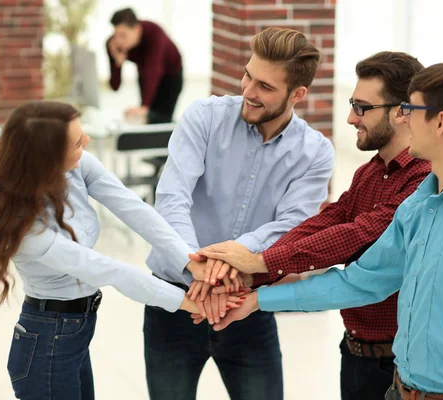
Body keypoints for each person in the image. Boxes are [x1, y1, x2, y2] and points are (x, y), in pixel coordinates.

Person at [211, 62, 443, 400]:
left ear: (440, 122)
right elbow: (363, 283)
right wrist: (257, 300)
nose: (405, 118)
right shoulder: (418, 207)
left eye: (411, 109)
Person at [0, 101, 243, 400]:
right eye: (78, 142)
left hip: (73, 331)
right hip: (49, 338)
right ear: (47, 159)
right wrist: (192, 303)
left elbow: (133, 208)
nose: (87, 142)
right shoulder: (25, 226)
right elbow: (109, 270)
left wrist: (189, 262)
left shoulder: (76, 168)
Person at [144, 28, 335, 400]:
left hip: (248, 307)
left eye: (265, 86)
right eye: (248, 75)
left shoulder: (315, 152)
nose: (248, 91)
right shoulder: (204, 117)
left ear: (297, 95)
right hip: (173, 301)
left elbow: (291, 227)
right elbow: (171, 198)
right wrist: (196, 265)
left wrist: (221, 266)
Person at [107, 7, 183, 124]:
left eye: (123, 35)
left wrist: (144, 107)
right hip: (145, 72)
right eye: (116, 34)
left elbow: (153, 70)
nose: (119, 40)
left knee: (162, 117)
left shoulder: (154, 34)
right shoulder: (114, 44)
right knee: (147, 117)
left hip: (171, 74)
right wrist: (117, 63)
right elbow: (115, 86)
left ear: (137, 30)